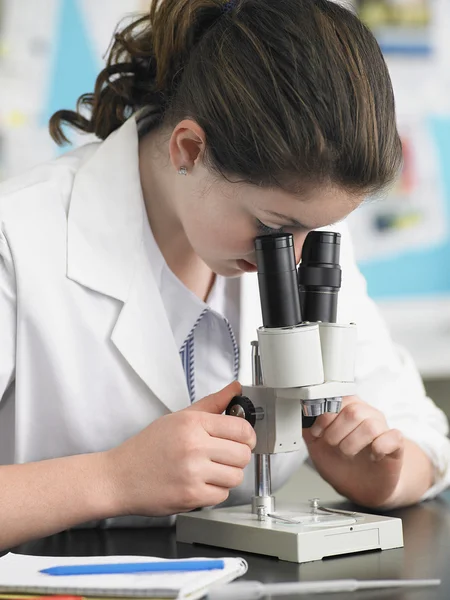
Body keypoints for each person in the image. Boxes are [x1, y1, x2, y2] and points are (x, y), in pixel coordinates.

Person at [0, 0, 448, 551]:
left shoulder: (306, 239)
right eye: (272, 226)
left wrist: (382, 474)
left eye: (320, 231)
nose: (294, 258)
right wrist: (112, 479)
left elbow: (424, 438)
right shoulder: (17, 239)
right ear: (189, 148)